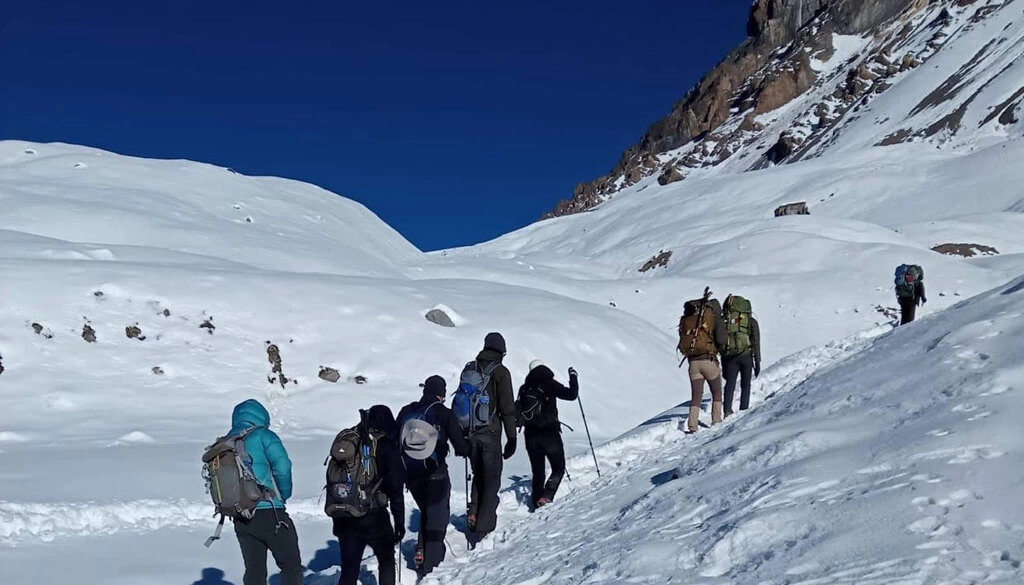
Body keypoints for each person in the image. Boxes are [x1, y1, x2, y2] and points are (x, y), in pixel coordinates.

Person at [396, 375, 472, 577]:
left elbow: (396, 441)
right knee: (437, 519)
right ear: (442, 394)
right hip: (435, 474)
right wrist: (469, 447)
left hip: (411, 475)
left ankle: (421, 549)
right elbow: (460, 447)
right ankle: (431, 568)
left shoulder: (407, 411)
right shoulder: (443, 413)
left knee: (427, 512)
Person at [227, 399, 304, 585]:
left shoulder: (227, 441)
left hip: (241, 516)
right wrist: (283, 495)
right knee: (290, 565)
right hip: (270, 512)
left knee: (254, 571)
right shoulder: (264, 435)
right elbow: (283, 466)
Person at [332, 405, 406, 585]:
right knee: (386, 560)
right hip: (374, 516)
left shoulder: (351, 440)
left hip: (345, 513)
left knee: (349, 569)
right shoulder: (386, 444)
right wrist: (399, 522)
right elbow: (395, 487)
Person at [465, 332, 517, 542]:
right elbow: (507, 408)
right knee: (492, 478)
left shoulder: (470, 368)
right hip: (490, 434)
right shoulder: (501, 372)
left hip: (470, 433)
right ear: (501, 351)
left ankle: (474, 511)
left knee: (479, 474)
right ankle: (483, 530)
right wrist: (512, 438)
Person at [517, 360, 579, 509]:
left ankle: (536, 502)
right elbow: (571, 395)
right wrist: (573, 377)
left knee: (538, 471)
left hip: (530, 435)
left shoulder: (524, 388)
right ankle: (547, 496)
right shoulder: (549, 383)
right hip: (549, 433)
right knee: (558, 468)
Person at [677, 294, 727, 433]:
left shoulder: (688, 320)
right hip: (709, 361)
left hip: (693, 363)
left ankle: (692, 425)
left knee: (696, 395)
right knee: (716, 392)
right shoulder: (712, 319)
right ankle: (716, 420)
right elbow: (722, 340)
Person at [720, 295, 761, 417]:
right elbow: (756, 341)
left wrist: (724, 363)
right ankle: (744, 409)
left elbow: (721, 343)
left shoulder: (726, 321)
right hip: (746, 356)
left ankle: (727, 411)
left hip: (730, 358)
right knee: (745, 384)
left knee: (730, 384)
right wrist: (757, 361)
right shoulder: (750, 320)